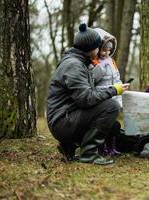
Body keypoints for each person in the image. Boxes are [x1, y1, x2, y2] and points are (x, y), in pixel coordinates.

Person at [46, 23, 129, 165]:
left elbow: (84, 95)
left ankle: (69, 146)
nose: (99, 51)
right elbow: (86, 99)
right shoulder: (74, 65)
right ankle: (89, 153)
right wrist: (114, 90)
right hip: (62, 121)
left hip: (66, 117)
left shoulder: (79, 62)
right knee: (111, 107)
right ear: (92, 48)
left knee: (110, 119)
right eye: (98, 47)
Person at [88, 28, 122, 156]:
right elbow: (93, 79)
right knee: (103, 125)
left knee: (113, 125)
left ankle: (111, 146)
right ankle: (100, 147)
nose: (106, 53)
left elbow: (117, 78)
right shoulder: (93, 62)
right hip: (101, 97)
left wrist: (119, 98)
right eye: (103, 49)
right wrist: (102, 66)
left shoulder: (112, 61)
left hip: (113, 95)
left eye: (109, 50)